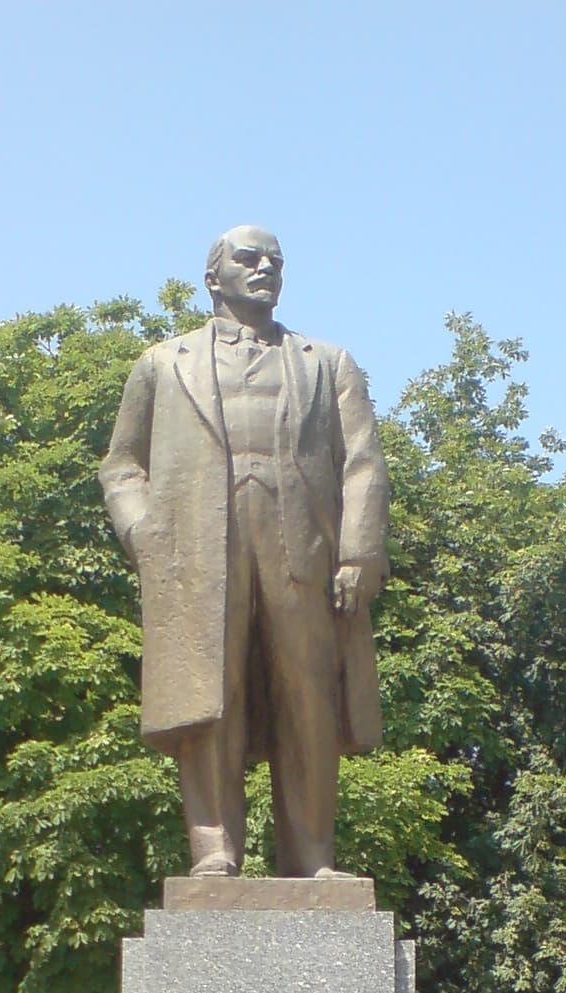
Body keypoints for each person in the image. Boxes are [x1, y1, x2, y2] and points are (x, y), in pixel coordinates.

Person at [99, 226, 390, 878]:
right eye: (248, 258)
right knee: (210, 697)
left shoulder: (328, 363)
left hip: (302, 550)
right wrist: (144, 536)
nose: (265, 268)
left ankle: (312, 857)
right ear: (214, 277)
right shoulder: (161, 363)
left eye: (275, 261)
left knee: (309, 697)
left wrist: (359, 552)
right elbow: (121, 467)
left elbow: (363, 464)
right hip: (197, 553)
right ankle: (214, 852)